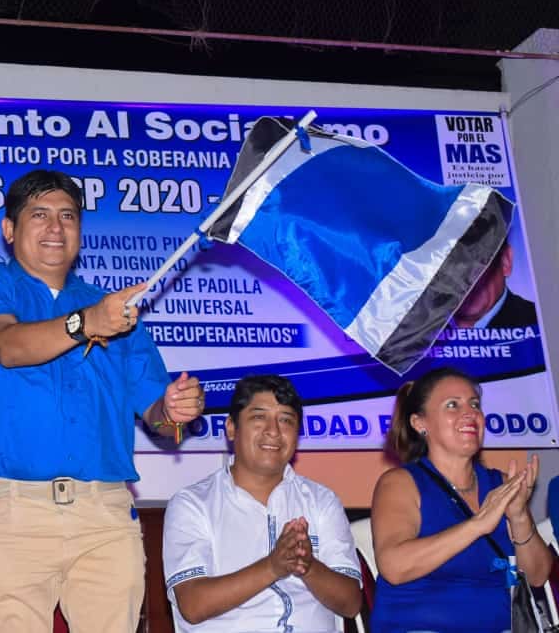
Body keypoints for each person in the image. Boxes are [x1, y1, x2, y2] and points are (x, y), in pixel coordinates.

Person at [0, 169, 205, 633]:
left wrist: (174, 409)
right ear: (9, 229)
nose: (55, 227)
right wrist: (85, 324)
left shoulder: (115, 311)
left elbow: (157, 416)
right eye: (39, 215)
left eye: (67, 216)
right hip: (14, 511)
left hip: (104, 513)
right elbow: (8, 346)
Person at [162, 374, 361, 632]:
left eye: (286, 420)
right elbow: (192, 604)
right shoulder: (193, 504)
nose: (273, 431)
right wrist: (272, 567)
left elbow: (351, 604)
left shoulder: (321, 501)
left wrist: (309, 566)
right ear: (231, 427)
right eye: (259, 417)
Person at [370, 366, 553, 633]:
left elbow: (537, 576)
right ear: (420, 423)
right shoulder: (400, 483)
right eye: (452, 405)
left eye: (475, 404)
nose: (470, 413)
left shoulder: (502, 485)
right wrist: (477, 525)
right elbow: (394, 567)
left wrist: (519, 516)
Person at [454, 239, 538, 329]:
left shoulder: (540, 322)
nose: (465, 279)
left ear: (505, 261)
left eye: (476, 258)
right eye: (450, 264)